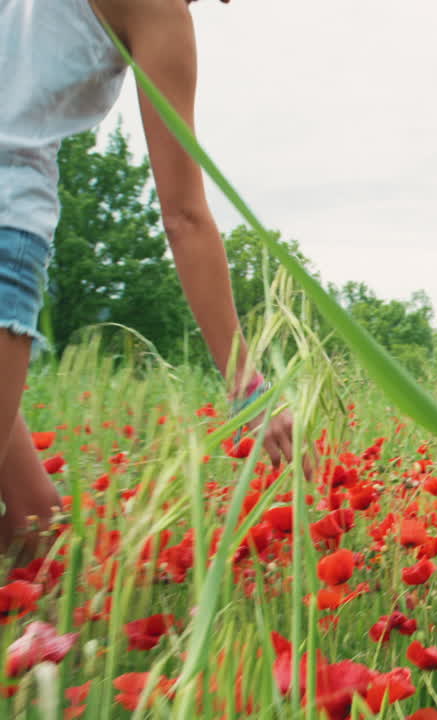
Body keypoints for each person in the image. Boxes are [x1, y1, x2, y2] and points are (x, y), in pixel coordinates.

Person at [0, 0, 300, 552]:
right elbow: (183, 217)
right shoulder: (158, 8)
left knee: (33, 525)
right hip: (6, 213)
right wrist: (248, 387)